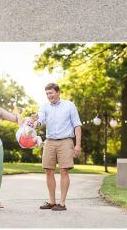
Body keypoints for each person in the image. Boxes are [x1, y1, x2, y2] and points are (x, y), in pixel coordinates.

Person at [32, 82, 82, 214]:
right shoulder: (44, 107)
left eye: (51, 93)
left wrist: (78, 144)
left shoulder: (69, 106)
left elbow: (77, 125)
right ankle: (52, 201)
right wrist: (34, 123)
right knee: (48, 170)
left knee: (64, 171)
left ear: (58, 92)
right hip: (50, 141)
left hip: (66, 141)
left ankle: (62, 203)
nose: (49, 96)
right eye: (47, 93)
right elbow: (40, 120)